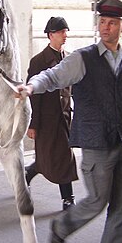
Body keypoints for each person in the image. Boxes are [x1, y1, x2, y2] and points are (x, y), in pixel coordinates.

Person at [16, 0, 122, 243]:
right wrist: (31, 86)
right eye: (102, 22)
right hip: (96, 143)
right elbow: (53, 76)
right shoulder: (83, 58)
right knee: (96, 201)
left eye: (112, 23)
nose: (105, 27)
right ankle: (61, 228)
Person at [25, 16, 78, 211]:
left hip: (64, 117)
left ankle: (29, 174)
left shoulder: (70, 58)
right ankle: (68, 198)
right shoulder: (39, 61)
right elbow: (34, 96)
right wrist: (33, 124)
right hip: (47, 119)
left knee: (61, 155)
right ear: (50, 35)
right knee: (52, 156)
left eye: (66, 32)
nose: (65, 35)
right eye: (61, 32)